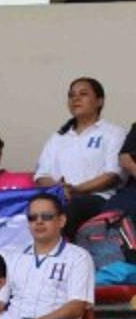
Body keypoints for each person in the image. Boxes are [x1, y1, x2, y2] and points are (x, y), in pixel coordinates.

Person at [34, 77, 127, 237]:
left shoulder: (113, 133)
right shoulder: (58, 137)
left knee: (71, 209)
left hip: (98, 199)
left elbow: (113, 175)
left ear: (99, 101)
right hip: (59, 197)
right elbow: (41, 175)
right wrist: (60, 189)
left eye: (83, 94)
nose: (75, 99)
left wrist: (75, 190)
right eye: (71, 95)